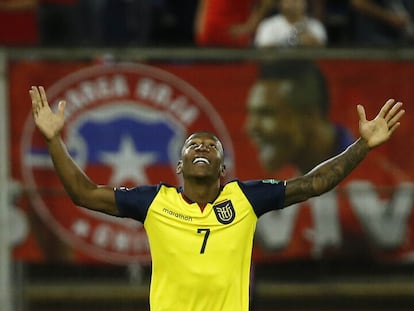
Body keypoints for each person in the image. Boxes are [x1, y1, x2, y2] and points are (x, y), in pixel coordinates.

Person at [29, 85, 404, 310]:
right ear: (179, 165)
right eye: (194, 145)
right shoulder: (155, 202)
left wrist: (362, 145)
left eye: (212, 145)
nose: (203, 147)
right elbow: (83, 193)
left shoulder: (244, 199)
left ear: (223, 167)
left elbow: (313, 183)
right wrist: (53, 140)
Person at [245, 60, 411, 262]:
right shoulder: (277, 181)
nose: (250, 128)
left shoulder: (385, 183)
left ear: (308, 115)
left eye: (266, 113)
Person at [194, 0, 276, 48]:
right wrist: (199, 24)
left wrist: (250, 26)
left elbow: (267, 2)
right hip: (207, 36)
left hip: (233, 38)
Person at [254, 0, 328, 48]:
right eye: (288, 1)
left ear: (305, 3)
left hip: (306, 68)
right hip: (274, 68)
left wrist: (311, 42)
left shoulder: (315, 25)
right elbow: (263, 51)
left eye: (296, 1)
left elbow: (323, 53)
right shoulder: (268, 25)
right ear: (281, 4)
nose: (293, 4)